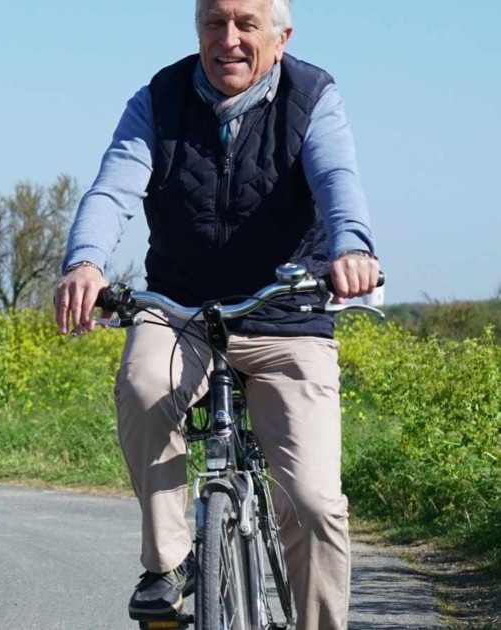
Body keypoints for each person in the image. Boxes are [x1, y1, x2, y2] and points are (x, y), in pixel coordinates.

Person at [52, 0, 380, 627]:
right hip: (182, 310)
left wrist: (353, 246)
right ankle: (168, 563)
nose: (227, 39)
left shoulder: (312, 97)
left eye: (245, 24)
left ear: (280, 38)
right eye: (212, 22)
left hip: (286, 315)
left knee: (312, 502)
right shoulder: (159, 98)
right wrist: (86, 262)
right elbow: (114, 185)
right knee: (144, 384)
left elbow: (338, 178)